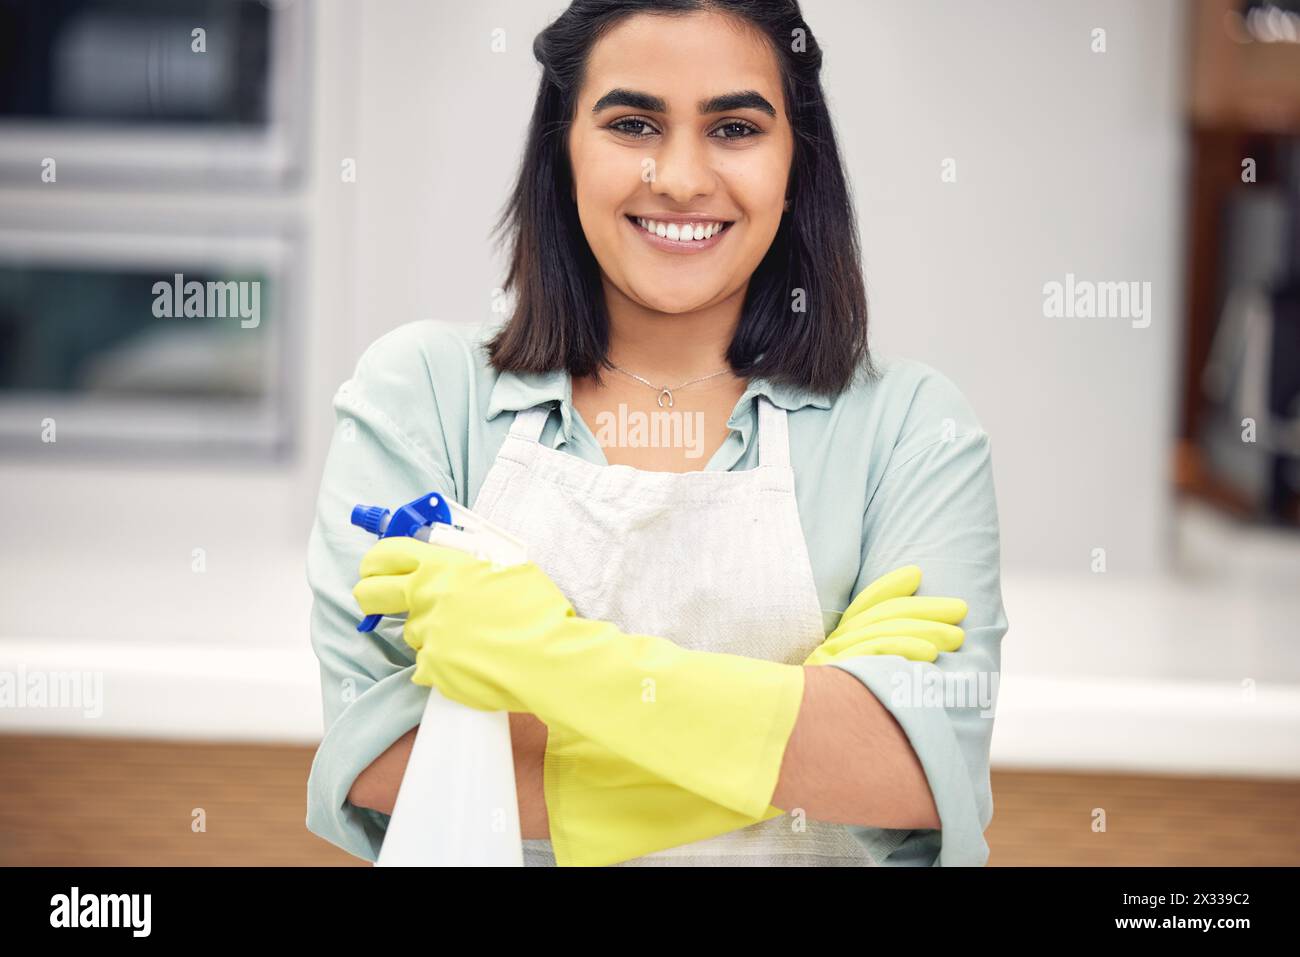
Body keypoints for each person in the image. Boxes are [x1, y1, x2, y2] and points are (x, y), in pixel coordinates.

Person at [306, 0, 1008, 867]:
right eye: (633, 122)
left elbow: (911, 773)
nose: (679, 177)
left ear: (797, 163)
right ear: (564, 151)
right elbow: (384, 761)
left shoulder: (910, 430)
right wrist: (807, 720)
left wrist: (545, 654)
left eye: (736, 128)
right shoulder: (420, 396)